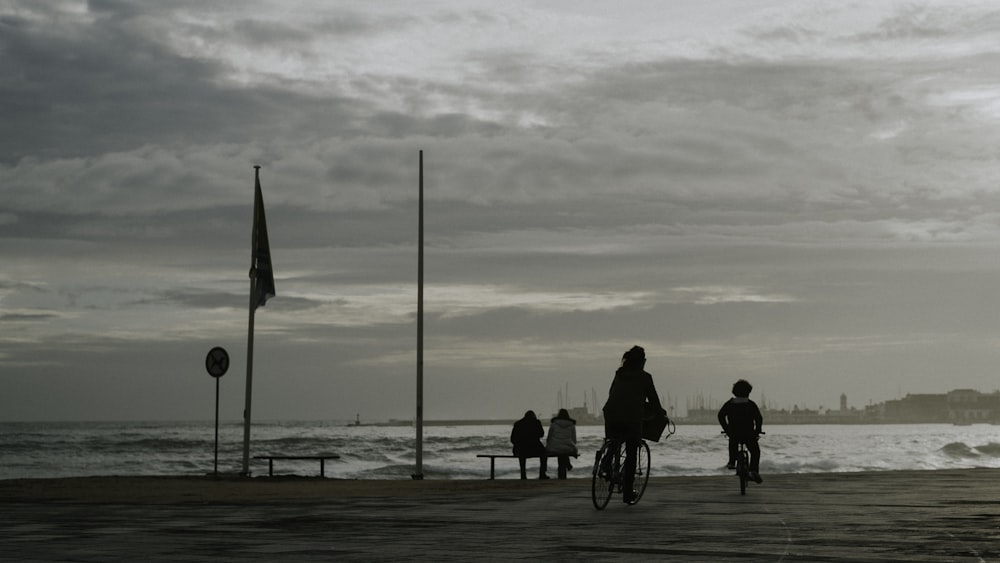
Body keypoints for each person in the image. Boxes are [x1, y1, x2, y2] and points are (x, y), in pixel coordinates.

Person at [602, 345, 666, 503]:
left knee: (614, 438)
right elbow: (654, 401)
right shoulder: (645, 377)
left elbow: (612, 393)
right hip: (631, 417)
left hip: (610, 413)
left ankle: (606, 462)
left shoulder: (619, 374)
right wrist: (661, 413)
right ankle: (628, 492)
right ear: (643, 361)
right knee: (631, 453)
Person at [718, 379, 764, 484]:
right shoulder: (751, 404)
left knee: (733, 443)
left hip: (734, 432)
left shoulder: (729, 404)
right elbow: (758, 418)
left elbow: (721, 416)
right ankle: (753, 471)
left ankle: (732, 462)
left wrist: (726, 428)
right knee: (755, 451)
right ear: (748, 392)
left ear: (734, 392)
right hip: (748, 433)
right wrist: (757, 431)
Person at [510, 410, 549, 479]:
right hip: (535, 448)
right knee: (544, 454)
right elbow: (541, 434)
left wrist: (518, 444)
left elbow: (512, 439)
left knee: (522, 456)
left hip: (520, 449)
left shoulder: (518, 424)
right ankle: (542, 473)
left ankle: (523, 475)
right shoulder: (536, 423)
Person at [546, 408, 578, 479]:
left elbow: (549, 436)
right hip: (568, 447)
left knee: (560, 452)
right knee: (564, 452)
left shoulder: (554, 424)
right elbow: (574, 439)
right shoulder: (572, 425)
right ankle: (567, 465)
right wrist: (573, 446)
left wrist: (548, 445)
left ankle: (564, 470)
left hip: (555, 447)